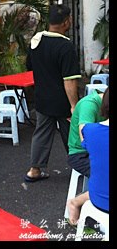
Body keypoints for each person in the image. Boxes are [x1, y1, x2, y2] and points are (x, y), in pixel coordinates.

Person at [24, 4, 81, 182]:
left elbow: (29, 66)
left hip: (42, 98)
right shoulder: (65, 46)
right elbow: (69, 80)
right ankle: (80, 170)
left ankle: (34, 170)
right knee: (71, 135)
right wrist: (74, 106)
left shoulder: (37, 41)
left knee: (41, 133)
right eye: (69, 19)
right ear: (65, 22)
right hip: (62, 101)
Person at [66, 88, 109, 226]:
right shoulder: (89, 105)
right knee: (104, 175)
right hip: (80, 153)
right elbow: (84, 137)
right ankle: (75, 203)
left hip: (96, 148)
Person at [67, 88, 106, 178]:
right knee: (104, 179)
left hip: (98, 151)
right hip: (81, 154)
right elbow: (85, 140)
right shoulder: (89, 105)